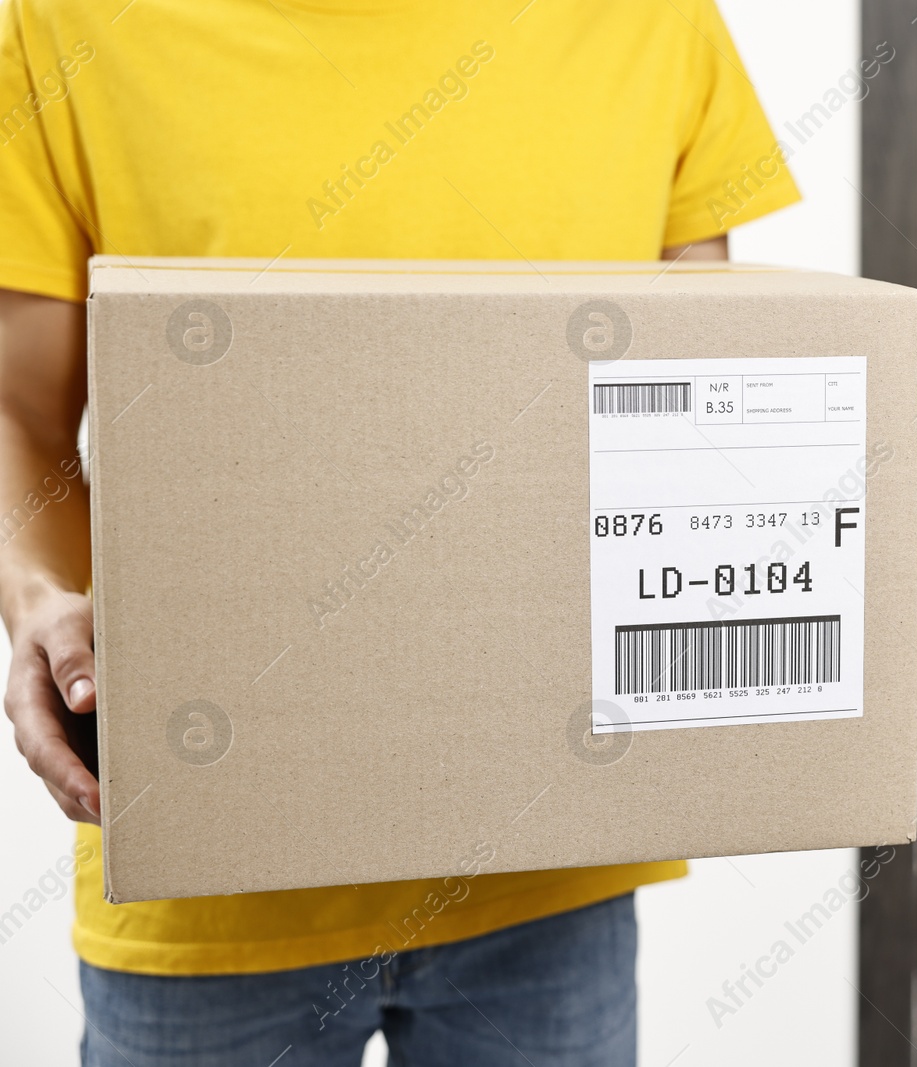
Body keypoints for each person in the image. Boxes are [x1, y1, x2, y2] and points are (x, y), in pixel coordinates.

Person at [0, 1, 798, 1063]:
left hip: (549, 862)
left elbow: (691, 398)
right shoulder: (68, 20)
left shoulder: (653, 20)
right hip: (209, 874)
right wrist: (39, 603)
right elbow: (21, 416)